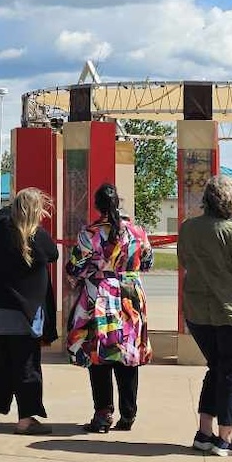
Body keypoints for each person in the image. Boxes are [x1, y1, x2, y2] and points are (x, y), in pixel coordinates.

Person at [179, 174, 232, 456]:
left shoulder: (188, 228)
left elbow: (183, 260)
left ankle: (204, 432)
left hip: (198, 313)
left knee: (215, 369)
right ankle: (225, 437)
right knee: (231, 375)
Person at [66, 183, 153, 432]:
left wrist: (96, 271)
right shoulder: (138, 232)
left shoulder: (89, 234)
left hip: (98, 296)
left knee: (99, 355)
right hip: (130, 297)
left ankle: (103, 415)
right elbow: (147, 262)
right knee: (128, 353)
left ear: (97, 205)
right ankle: (128, 414)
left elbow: (75, 267)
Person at [0, 188, 61, 435]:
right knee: (26, 364)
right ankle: (26, 418)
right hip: (24, 311)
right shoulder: (35, 236)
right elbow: (54, 254)